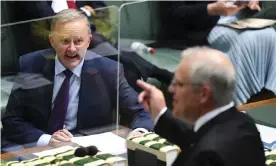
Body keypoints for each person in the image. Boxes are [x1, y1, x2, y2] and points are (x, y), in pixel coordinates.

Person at [2, 9, 153, 150]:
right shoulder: (31, 64)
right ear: (52, 41)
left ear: (89, 41)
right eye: (65, 41)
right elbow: (11, 120)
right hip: (40, 148)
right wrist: (47, 140)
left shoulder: (109, 70)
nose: (72, 49)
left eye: (78, 41)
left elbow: (141, 111)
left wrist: (139, 132)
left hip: (86, 151)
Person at [137, 46, 265, 166]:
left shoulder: (206, 157)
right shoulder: (244, 124)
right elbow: (196, 138)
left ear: (204, 94)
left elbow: (201, 146)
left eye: (179, 84)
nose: (171, 89)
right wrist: (160, 113)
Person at [12, 1, 174, 91]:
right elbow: (50, 19)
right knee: (123, 62)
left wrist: (85, 16)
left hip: (91, 41)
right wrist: (84, 13)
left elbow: (101, 8)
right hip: (55, 48)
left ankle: (138, 123)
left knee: (125, 67)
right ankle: (157, 74)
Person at [160, 1, 276, 105]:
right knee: (248, 39)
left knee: (270, 34)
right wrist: (211, 9)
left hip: (238, 18)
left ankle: (269, 96)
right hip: (203, 27)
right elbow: (173, 14)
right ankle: (238, 102)